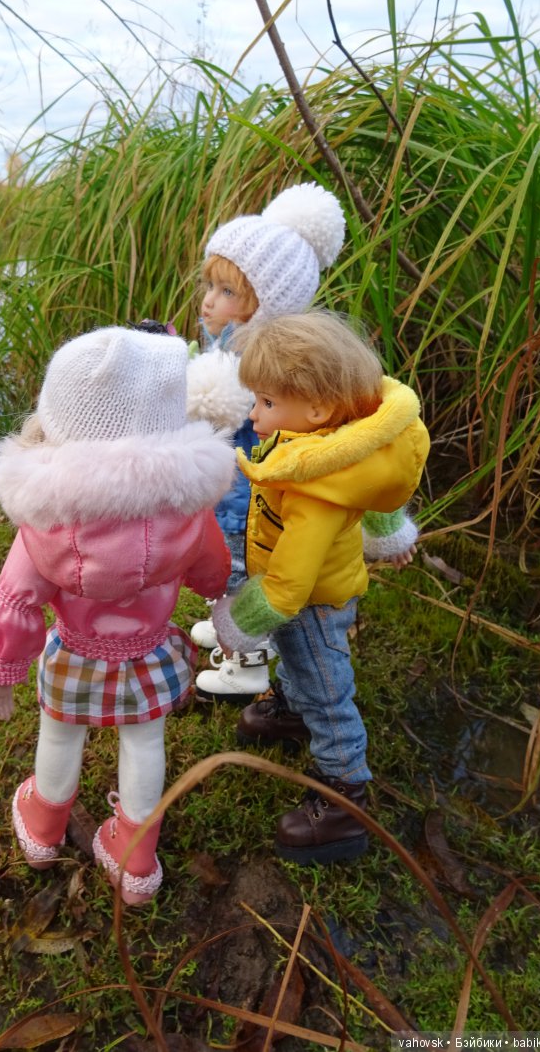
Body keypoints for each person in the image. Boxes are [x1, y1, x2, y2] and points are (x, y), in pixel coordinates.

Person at [0, 326, 234, 905]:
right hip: (148, 653)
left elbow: (15, 597)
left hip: (74, 652)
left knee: (60, 733)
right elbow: (212, 567)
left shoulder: (48, 518)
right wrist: (221, 603)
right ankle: (136, 855)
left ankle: (43, 828)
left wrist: (3, 668)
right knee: (145, 744)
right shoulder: (187, 506)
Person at [209, 310, 430, 866]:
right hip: (314, 590)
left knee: (326, 684)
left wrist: (237, 623)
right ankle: (292, 705)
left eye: (266, 403)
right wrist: (388, 533)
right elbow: (372, 487)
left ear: (317, 407)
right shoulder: (331, 443)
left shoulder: (316, 484)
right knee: (301, 661)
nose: (255, 415)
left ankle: (343, 792)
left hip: (310, 601)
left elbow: (288, 585)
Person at [186, 182, 347, 702]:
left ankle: (248, 663)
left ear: (266, 307)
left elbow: (215, 408)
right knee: (229, 568)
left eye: (228, 292)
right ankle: (231, 628)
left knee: (239, 571)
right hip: (232, 489)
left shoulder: (249, 366)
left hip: (243, 497)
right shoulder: (229, 348)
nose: (210, 301)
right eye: (211, 286)